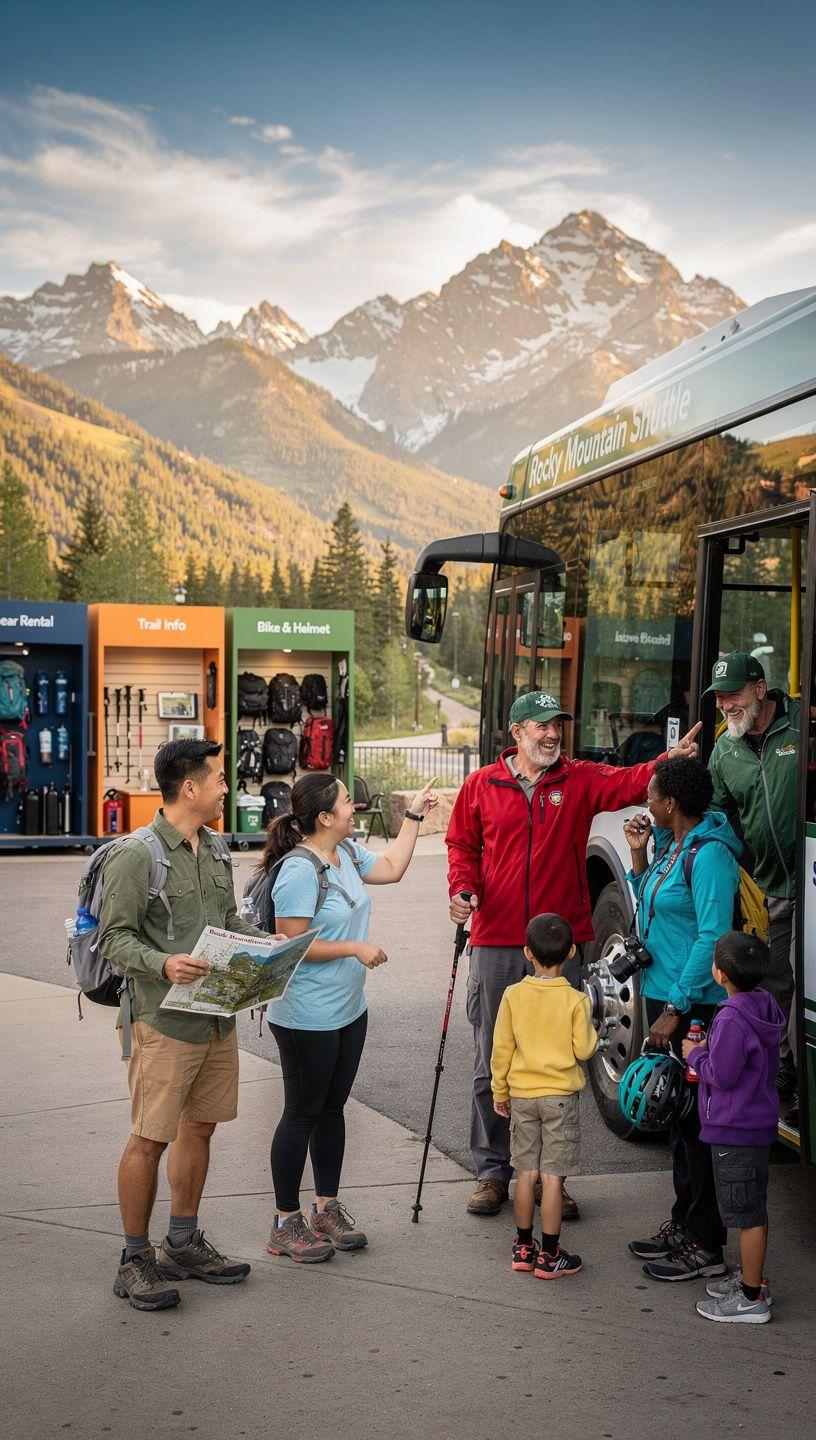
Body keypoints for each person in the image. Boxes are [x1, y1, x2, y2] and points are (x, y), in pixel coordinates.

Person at [446, 688, 702, 1217]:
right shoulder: (481, 785)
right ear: (516, 732)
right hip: (496, 938)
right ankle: (493, 1172)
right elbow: (462, 845)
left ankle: (548, 1177)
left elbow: (630, 781)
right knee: (493, 1057)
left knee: (561, 1060)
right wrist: (462, 888)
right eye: (542, 726)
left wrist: (665, 762)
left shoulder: (578, 777)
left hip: (561, 947)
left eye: (557, 724)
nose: (552, 734)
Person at [99, 739, 272, 1312]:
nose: (229, 787)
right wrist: (163, 962)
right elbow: (113, 938)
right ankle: (134, 1259)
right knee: (149, 1138)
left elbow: (226, 923)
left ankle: (182, 1241)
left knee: (200, 1130)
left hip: (215, 1021)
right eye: (220, 779)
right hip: (163, 1022)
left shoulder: (216, 848)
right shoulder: (135, 854)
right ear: (191, 788)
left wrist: (267, 948)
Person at [261, 772, 438, 1263]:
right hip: (305, 1015)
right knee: (302, 1112)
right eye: (345, 801)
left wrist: (415, 815)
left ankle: (326, 1208)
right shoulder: (299, 870)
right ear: (324, 816)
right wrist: (354, 947)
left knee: (333, 1109)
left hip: (347, 1008)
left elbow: (393, 867)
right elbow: (291, 944)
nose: (353, 806)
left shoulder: (347, 854)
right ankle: (285, 1221)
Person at [623, 757, 741, 1282]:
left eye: (651, 795)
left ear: (671, 803)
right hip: (665, 995)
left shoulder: (710, 854)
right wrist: (637, 855)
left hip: (693, 1005)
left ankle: (707, 1245)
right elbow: (656, 907)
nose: (646, 803)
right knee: (674, 1116)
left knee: (697, 1124)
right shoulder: (676, 845)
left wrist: (676, 1008)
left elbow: (712, 935)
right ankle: (683, 1222)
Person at [706, 652, 799, 1105]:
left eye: (733, 694)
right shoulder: (724, 749)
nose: (726, 705)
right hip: (768, 888)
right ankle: (781, 1071)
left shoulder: (801, 725)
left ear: (761, 690)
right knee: (774, 983)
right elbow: (719, 818)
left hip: (811, 881)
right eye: (720, 698)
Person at [682, 931, 785, 1325]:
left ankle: (751, 1299)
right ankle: (752, 1280)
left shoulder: (729, 1017)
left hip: (734, 1129)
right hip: (757, 1122)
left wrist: (697, 1055)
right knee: (754, 1207)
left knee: (746, 1215)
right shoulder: (764, 1006)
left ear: (720, 974)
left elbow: (722, 1075)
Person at [491, 913, 597, 1279]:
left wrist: (499, 1090)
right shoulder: (575, 1000)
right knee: (552, 1178)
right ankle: (550, 1255)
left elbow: (501, 1048)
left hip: (522, 1096)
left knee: (525, 1173)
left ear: (526, 952)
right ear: (570, 952)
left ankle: (523, 1247)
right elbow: (584, 1050)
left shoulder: (513, 995)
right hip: (560, 1099)